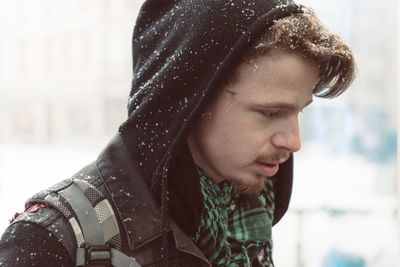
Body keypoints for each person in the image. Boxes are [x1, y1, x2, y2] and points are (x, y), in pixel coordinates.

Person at [0, 0, 356, 266]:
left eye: (298, 112)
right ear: (189, 103)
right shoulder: (54, 239)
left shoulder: (244, 215)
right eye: (270, 113)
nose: (293, 141)